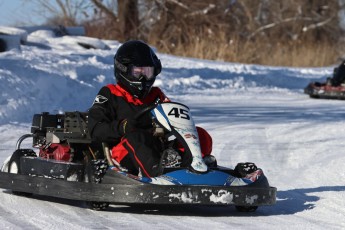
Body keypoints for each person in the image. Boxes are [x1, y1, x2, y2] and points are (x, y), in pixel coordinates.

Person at [88, 40, 213, 178]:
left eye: (147, 72)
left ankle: (196, 169)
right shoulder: (109, 93)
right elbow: (95, 129)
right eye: (137, 72)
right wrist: (123, 127)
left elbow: (174, 119)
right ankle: (159, 176)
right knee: (137, 137)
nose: (142, 78)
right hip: (124, 153)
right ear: (123, 70)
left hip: (159, 149)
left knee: (200, 135)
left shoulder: (156, 95)